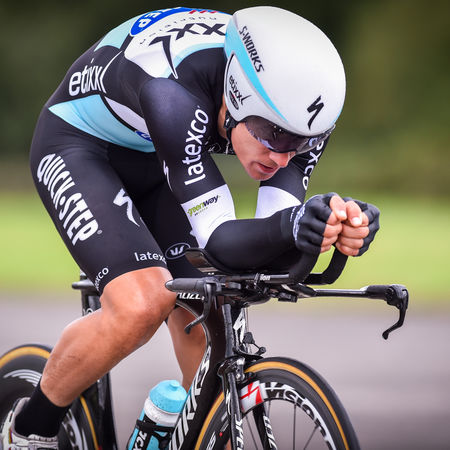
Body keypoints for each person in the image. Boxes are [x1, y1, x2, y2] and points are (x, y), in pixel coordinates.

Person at [1, 5, 379, 449]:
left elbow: (270, 235)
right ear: (235, 98)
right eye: (272, 135)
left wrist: (332, 228)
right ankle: (28, 430)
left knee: (210, 317)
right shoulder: (175, 94)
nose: (282, 157)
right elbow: (221, 241)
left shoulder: (301, 115)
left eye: (300, 142)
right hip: (78, 146)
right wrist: (292, 226)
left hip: (159, 156)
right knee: (143, 304)